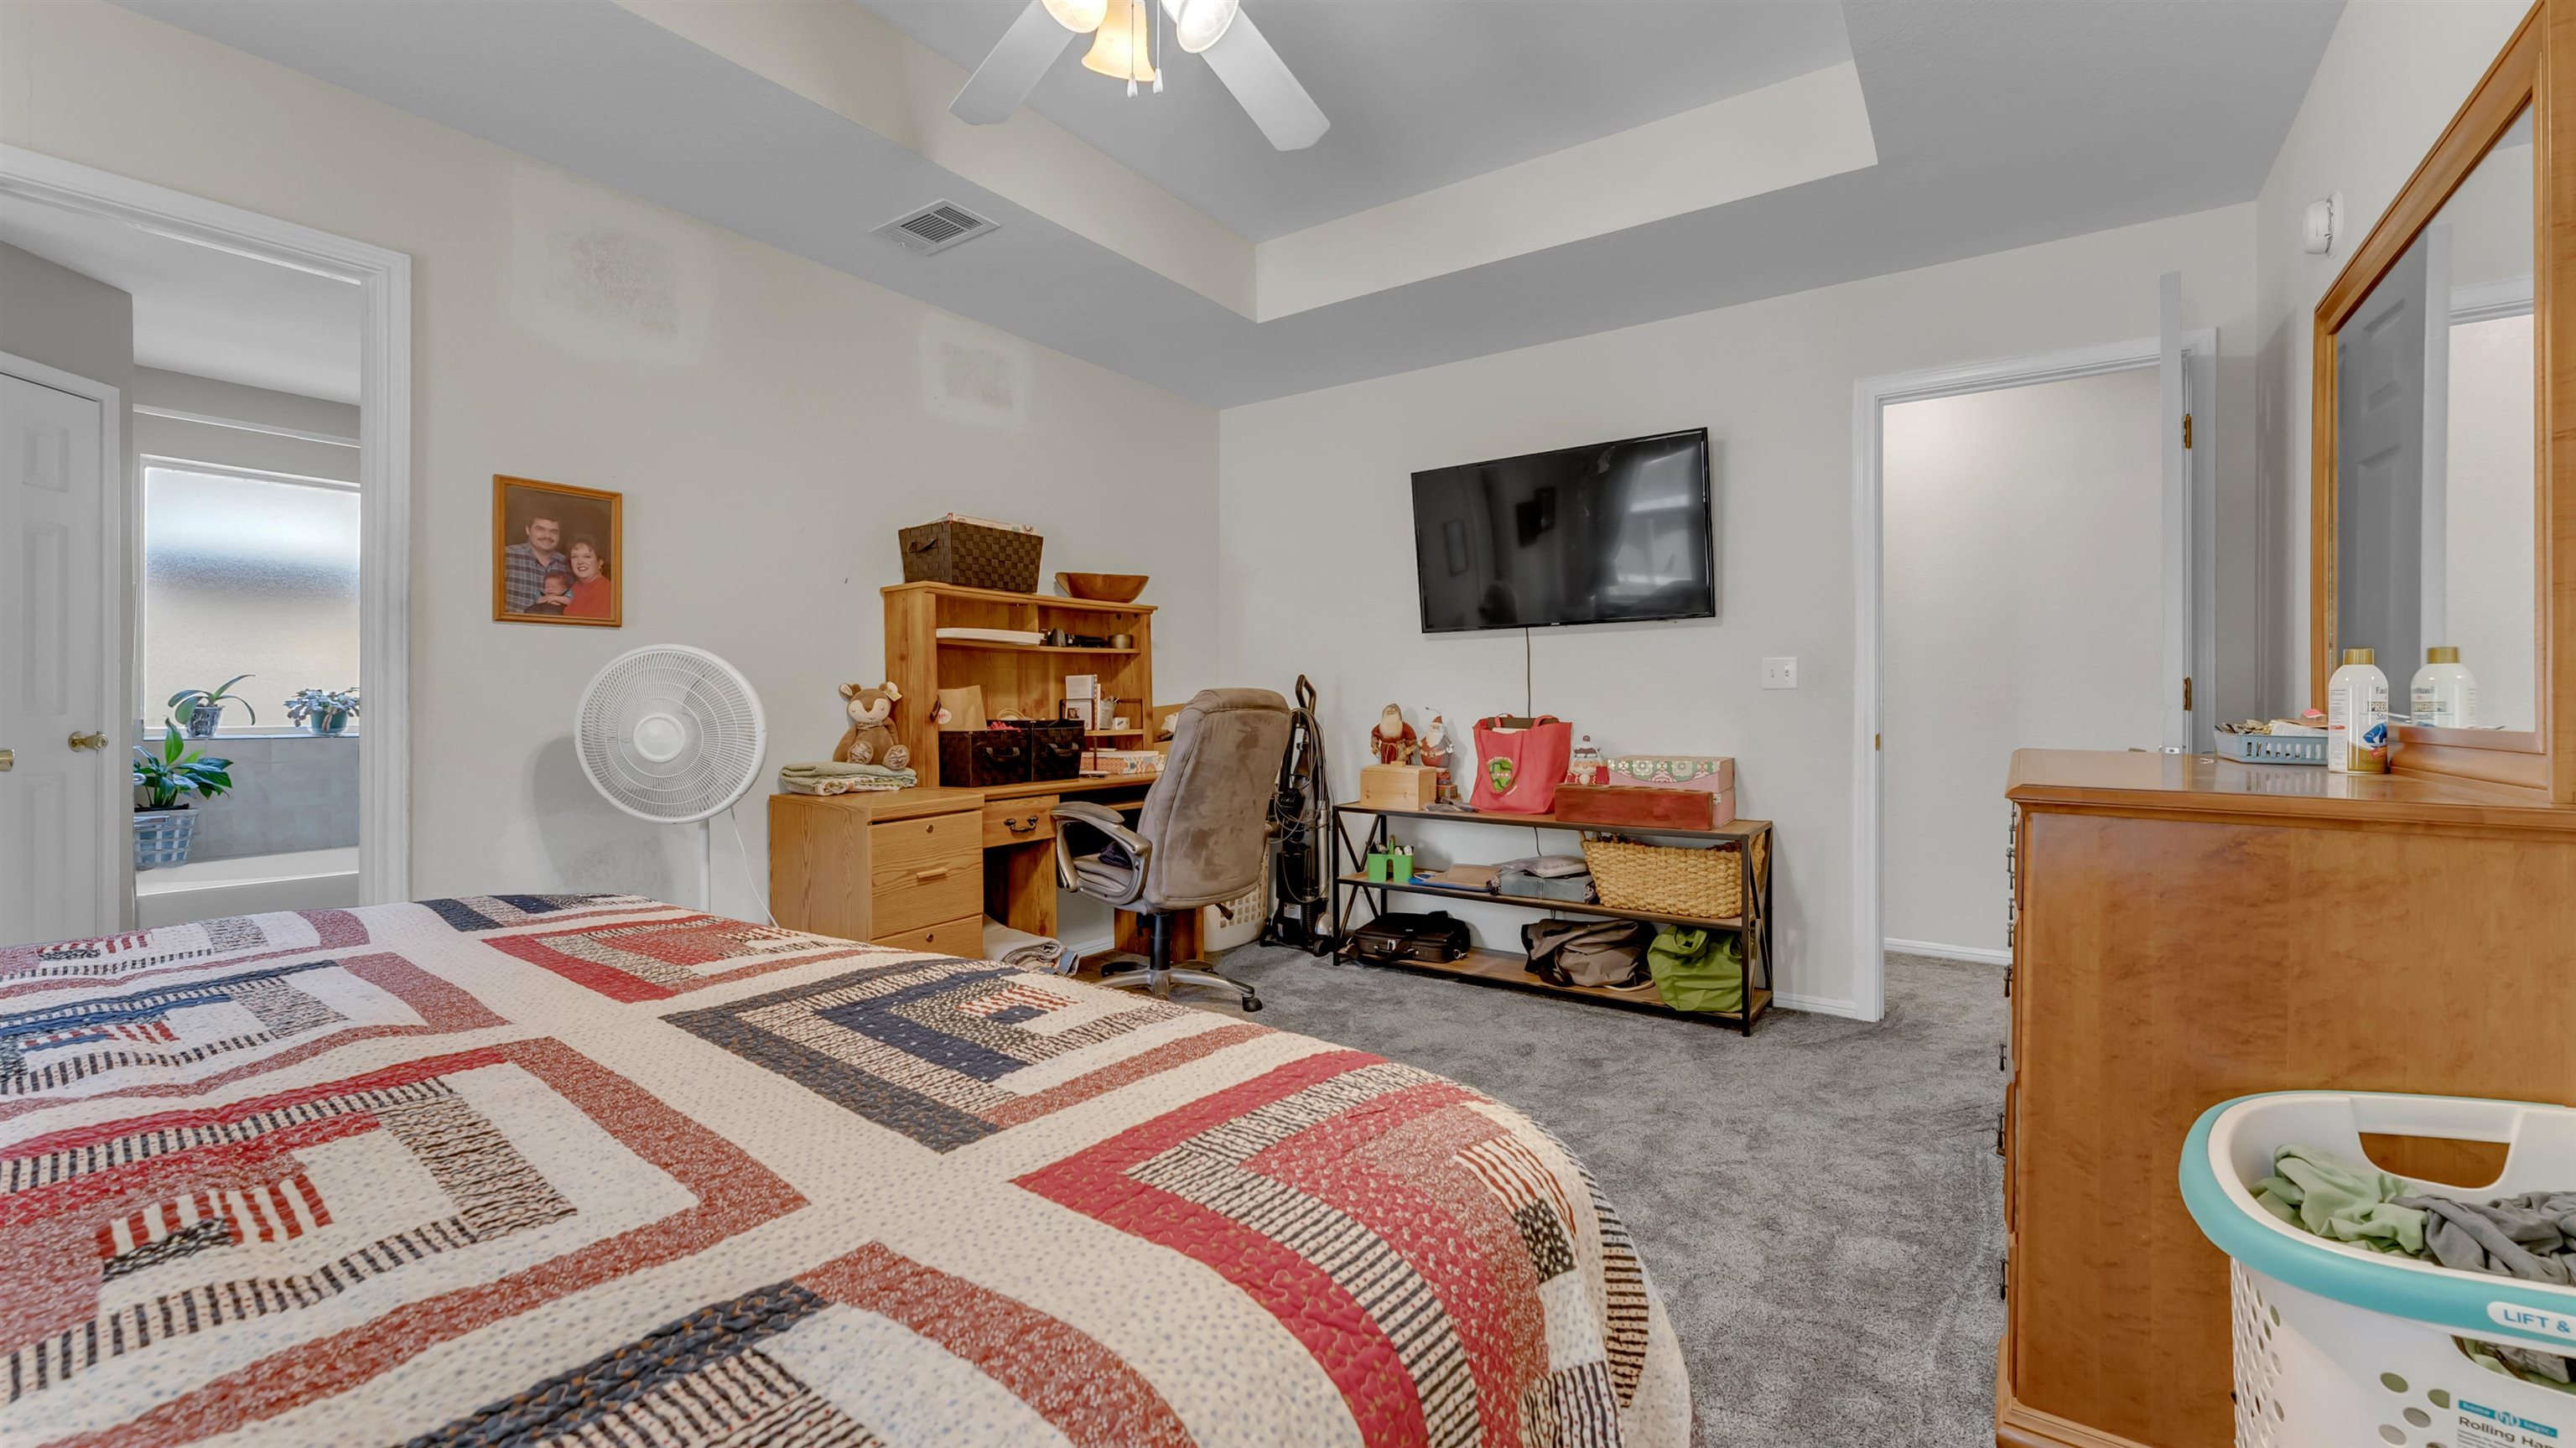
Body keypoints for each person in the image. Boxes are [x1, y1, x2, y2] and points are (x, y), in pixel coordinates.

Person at [502, 512, 565, 613]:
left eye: (553, 531)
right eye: (540, 529)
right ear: (528, 530)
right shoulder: (506, 555)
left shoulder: (568, 564)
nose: (547, 536)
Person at [565, 535, 613, 619]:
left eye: (587, 556)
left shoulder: (608, 592)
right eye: (574, 557)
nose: (580, 562)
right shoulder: (575, 587)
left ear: (600, 562)